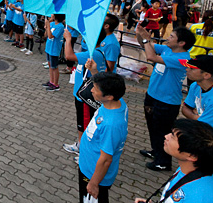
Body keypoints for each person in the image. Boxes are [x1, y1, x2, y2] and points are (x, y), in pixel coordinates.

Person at [136, 26, 196, 171]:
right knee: (152, 127)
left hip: (167, 102)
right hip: (152, 95)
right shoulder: (167, 49)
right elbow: (145, 45)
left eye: (172, 36)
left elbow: (151, 56)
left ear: (181, 43)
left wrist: (146, 39)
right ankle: (156, 151)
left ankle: (163, 162)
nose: (168, 37)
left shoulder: (183, 58)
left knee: (162, 130)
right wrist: (141, 35)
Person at [134, 119, 213, 203]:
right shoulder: (188, 168)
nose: (166, 136)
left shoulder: (199, 198)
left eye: (173, 136)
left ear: (191, 155)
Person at [78, 72, 128, 203]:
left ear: (109, 96)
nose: (92, 90)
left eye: (95, 88)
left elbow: (106, 160)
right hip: (88, 166)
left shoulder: (112, 125)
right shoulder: (116, 101)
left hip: (93, 174)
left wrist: (94, 183)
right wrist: (95, 71)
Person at [62, 28, 108, 158]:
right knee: (81, 123)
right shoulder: (91, 51)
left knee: (85, 123)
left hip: (85, 98)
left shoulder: (94, 54)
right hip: (80, 95)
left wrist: (68, 39)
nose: (82, 38)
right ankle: (80, 145)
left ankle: (84, 153)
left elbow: (68, 56)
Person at [180, 55, 213, 137]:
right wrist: (200, 118)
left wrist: (196, 117)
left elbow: (207, 130)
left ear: (206, 75)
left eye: (192, 68)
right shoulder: (195, 86)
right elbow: (185, 109)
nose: (187, 69)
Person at [43, 13, 65, 92]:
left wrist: (48, 26)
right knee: (50, 65)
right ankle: (51, 81)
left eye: (53, 14)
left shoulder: (60, 26)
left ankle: (56, 84)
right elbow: (46, 35)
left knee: (54, 67)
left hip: (54, 49)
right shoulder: (52, 23)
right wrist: (46, 27)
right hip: (49, 48)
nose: (51, 15)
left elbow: (51, 36)